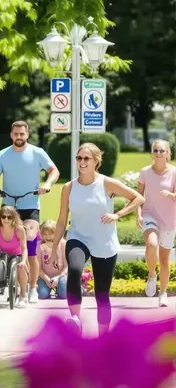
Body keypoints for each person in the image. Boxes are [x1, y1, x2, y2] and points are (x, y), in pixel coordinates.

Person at [51, 143, 144, 335]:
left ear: (96, 161)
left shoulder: (107, 183)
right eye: (79, 158)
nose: (82, 162)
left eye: (86, 158)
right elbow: (61, 221)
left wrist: (118, 214)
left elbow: (138, 198)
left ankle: (103, 338)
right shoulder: (68, 188)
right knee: (74, 270)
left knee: (102, 294)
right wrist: (54, 250)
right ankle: (76, 320)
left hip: (103, 242)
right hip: (77, 237)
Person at [0, 120, 60, 303]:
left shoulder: (37, 152)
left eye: (22, 134)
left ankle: (32, 288)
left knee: (29, 240)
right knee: (2, 241)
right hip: (8, 206)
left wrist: (47, 184)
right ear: (11, 135)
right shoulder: (2, 155)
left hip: (30, 205)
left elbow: (54, 171)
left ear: (27, 134)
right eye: (16, 134)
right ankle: (2, 276)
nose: (19, 137)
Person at [136, 139, 176, 306]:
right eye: (155, 150)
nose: (158, 153)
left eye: (161, 150)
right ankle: (152, 275)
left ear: (167, 153)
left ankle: (163, 293)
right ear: (152, 153)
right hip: (149, 215)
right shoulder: (145, 172)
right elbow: (138, 197)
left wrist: (170, 194)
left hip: (169, 219)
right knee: (151, 244)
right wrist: (138, 214)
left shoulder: (174, 172)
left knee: (165, 259)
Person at [0, 205, 29, 297]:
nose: (6, 219)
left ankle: (23, 295)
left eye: (9, 217)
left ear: (14, 218)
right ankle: (1, 282)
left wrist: (24, 261)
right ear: (0, 218)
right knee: (2, 260)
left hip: (17, 255)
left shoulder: (19, 230)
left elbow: (24, 248)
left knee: (21, 267)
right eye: (3, 217)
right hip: (3, 255)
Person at [37, 219, 67, 300]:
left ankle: (61, 288)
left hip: (60, 276)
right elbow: (38, 268)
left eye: (51, 234)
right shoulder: (39, 246)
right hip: (45, 277)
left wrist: (57, 278)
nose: (48, 237)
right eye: (45, 234)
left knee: (64, 294)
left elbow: (66, 266)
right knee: (42, 295)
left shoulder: (63, 243)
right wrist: (46, 279)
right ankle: (47, 288)